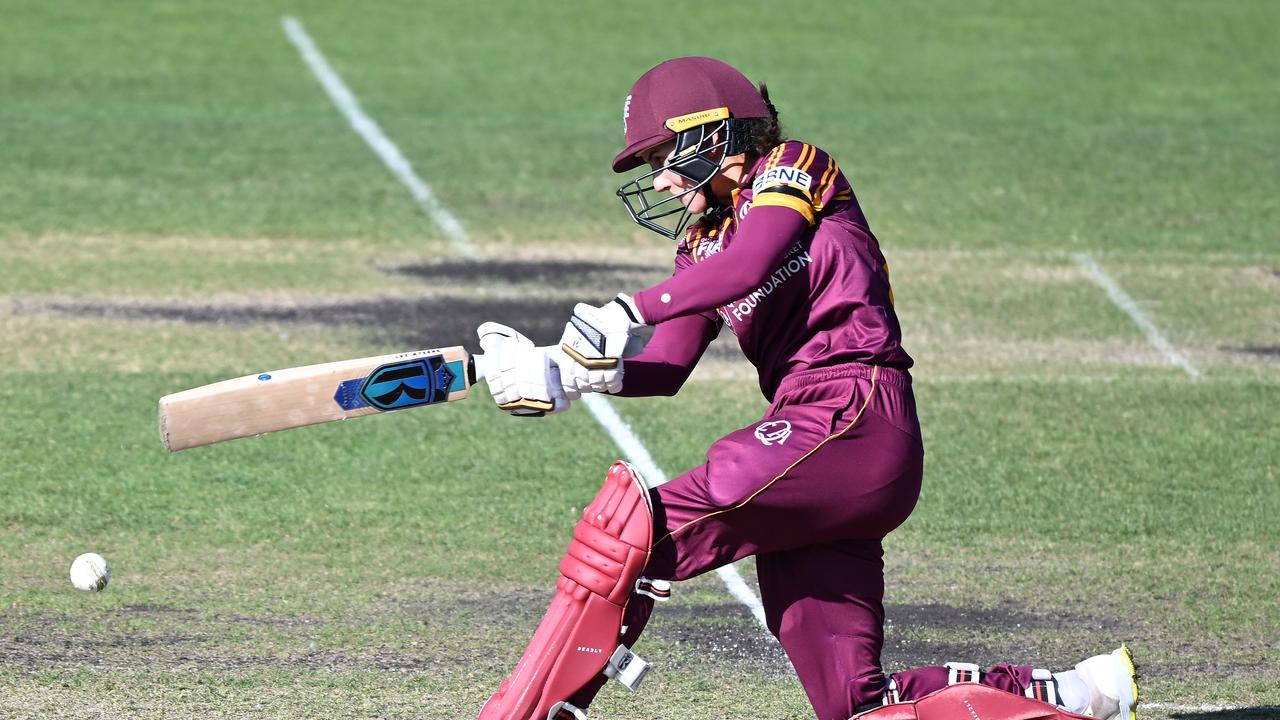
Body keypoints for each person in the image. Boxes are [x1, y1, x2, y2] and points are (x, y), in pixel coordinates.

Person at [474, 57, 1139, 720]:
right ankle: (1083, 693)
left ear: (719, 132)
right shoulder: (702, 246)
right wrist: (573, 375)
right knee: (855, 707)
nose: (664, 179)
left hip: (856, 413)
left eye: (666, 155)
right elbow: (671, 365)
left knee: (633, 530)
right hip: (813, 448)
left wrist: (627, 309)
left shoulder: (795, 166)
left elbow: (754, 260)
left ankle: (531, 712)